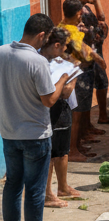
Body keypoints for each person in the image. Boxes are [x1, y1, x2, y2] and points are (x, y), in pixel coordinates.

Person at [0, 14, 70, 221]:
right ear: (42, 35)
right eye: (46, 37)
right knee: (34, 190)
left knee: (12, 185)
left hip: (9, 133)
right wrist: (62, 79)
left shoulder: (1, 52)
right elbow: (49, 100)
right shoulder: (37, 61)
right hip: (36, 136)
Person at [41, 27, 84, 209]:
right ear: (57, 45)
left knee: (62, 151)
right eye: (64, 46)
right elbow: (65, 92)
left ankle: (63, 187)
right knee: (50, 154)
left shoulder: (60, 62)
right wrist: (70, 77)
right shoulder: (41, 62)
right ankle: (47, 193)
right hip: (50, 109)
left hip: (62, 110)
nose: (66, 50)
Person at [58, 0, 105, 162]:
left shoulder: (65, 27)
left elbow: (82, 46)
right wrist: (95, 58)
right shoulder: (68, 31)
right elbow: (82, 53)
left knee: (78, 113)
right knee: (76, 115)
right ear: (78, 13)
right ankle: (72, 150)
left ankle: (76, 146)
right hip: (74, 77)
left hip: (75, 75)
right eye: (80, 14)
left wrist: (96, 58)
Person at [68, 0, 109, 130]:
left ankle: (88, 126)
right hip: (86, 56)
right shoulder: (77, 11)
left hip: (93, 51)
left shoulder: (86, 8)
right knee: (84, 92)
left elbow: (100, 21)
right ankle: (83, 131)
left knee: (97, 84)